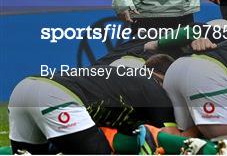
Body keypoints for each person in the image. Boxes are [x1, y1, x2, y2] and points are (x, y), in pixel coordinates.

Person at [8, 55, 178, 154]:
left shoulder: (129, 80)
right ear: (165, 77)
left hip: (24, 89)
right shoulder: (155, 89)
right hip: (57, 96)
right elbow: (174, 141)